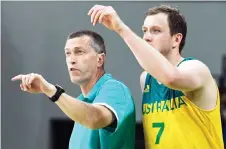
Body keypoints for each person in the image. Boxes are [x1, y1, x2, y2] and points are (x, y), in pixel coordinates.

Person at [88, 4, 224, 149]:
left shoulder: (196, 69)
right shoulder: (146, 79)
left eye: (156, 31)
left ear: (176, 39)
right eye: (145, 31)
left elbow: (171, 77)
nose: (147, 37)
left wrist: (121, 28)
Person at [11, 30, 136, 149]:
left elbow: (95, 118)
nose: (71, 60)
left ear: (100, 60)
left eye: (79, 52)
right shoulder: (81, 103)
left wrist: (51, 91)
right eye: (68, 53)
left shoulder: (115, 89)